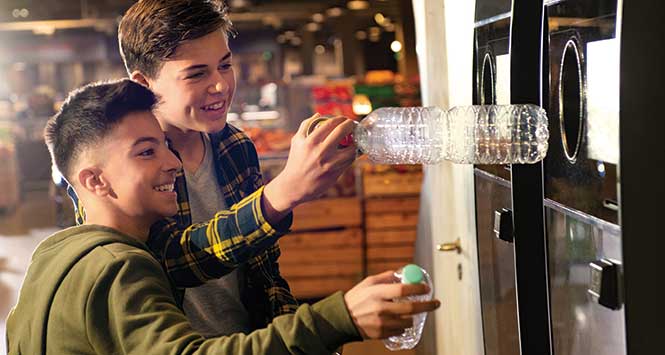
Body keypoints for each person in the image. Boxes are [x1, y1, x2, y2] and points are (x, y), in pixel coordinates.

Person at [5, 79, 440, 354]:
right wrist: (339, 316)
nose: (171, 162)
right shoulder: (121, 267)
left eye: (164, 145)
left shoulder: (51, 255)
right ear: (94, 181)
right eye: (146, 151)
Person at [66, 0, 358, 336]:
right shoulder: (117, 167)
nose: (220, 85)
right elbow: (170, 263)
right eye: (197, 73)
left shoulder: (235, 147)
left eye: (224, 65)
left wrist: (297, 336)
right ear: (143, 84)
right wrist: (280, 194)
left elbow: (265, 273)